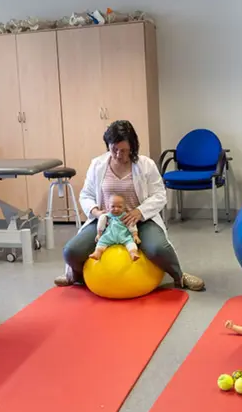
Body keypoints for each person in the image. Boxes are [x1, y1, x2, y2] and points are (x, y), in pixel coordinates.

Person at [54, 120, 205, 291]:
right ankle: (78, 277)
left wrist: (139, 212)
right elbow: (86, 195)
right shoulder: (97, 165)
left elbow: (160, 195)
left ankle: (180, 276)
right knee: (71, 251)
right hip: (106, 222)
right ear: (108, 146)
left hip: (139, 220)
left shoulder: (145, 164)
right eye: (114, 150)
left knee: (158, 249)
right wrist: (96, 212)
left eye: (124, 150)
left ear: (132, 147)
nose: (119, 155)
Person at [90, 194, 142, 261]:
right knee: (101, 242)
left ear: (124, 207)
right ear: (108, 207)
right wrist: (99, 234)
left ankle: (133, 254)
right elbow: (101, 225)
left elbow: (131, 225)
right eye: (113, 206)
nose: (116, 209)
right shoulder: (106, 216)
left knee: (131, 243)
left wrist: (135, 235)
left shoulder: (126, 216)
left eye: (119, 207)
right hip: (109, 235)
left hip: (124, 235)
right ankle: (97, 253)